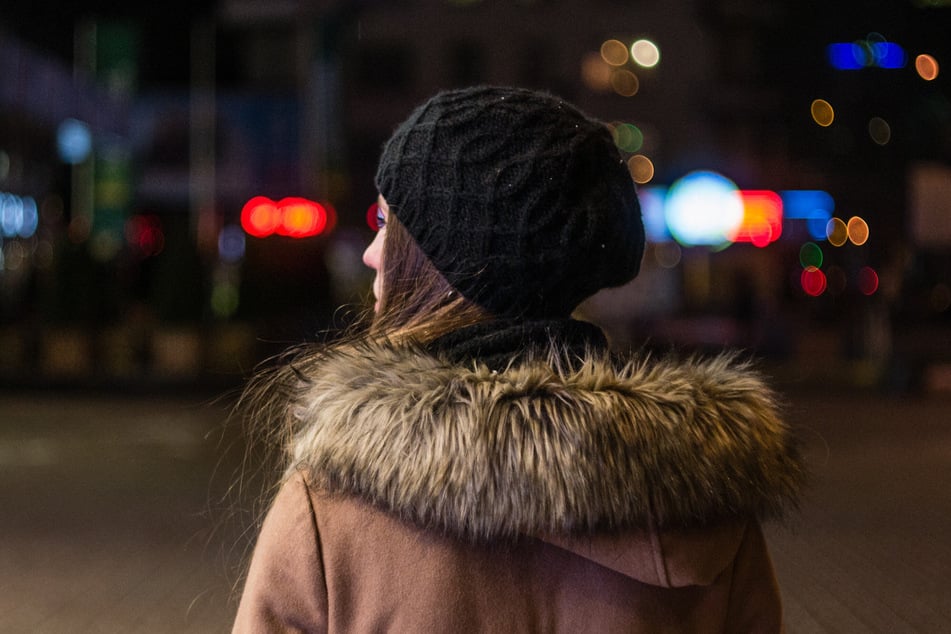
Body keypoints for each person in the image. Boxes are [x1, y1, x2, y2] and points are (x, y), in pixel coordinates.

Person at [232, 86, 805, 633]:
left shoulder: (333, 502)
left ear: (453, 258)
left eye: (387, 223)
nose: (372, 251)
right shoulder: (706, 499)